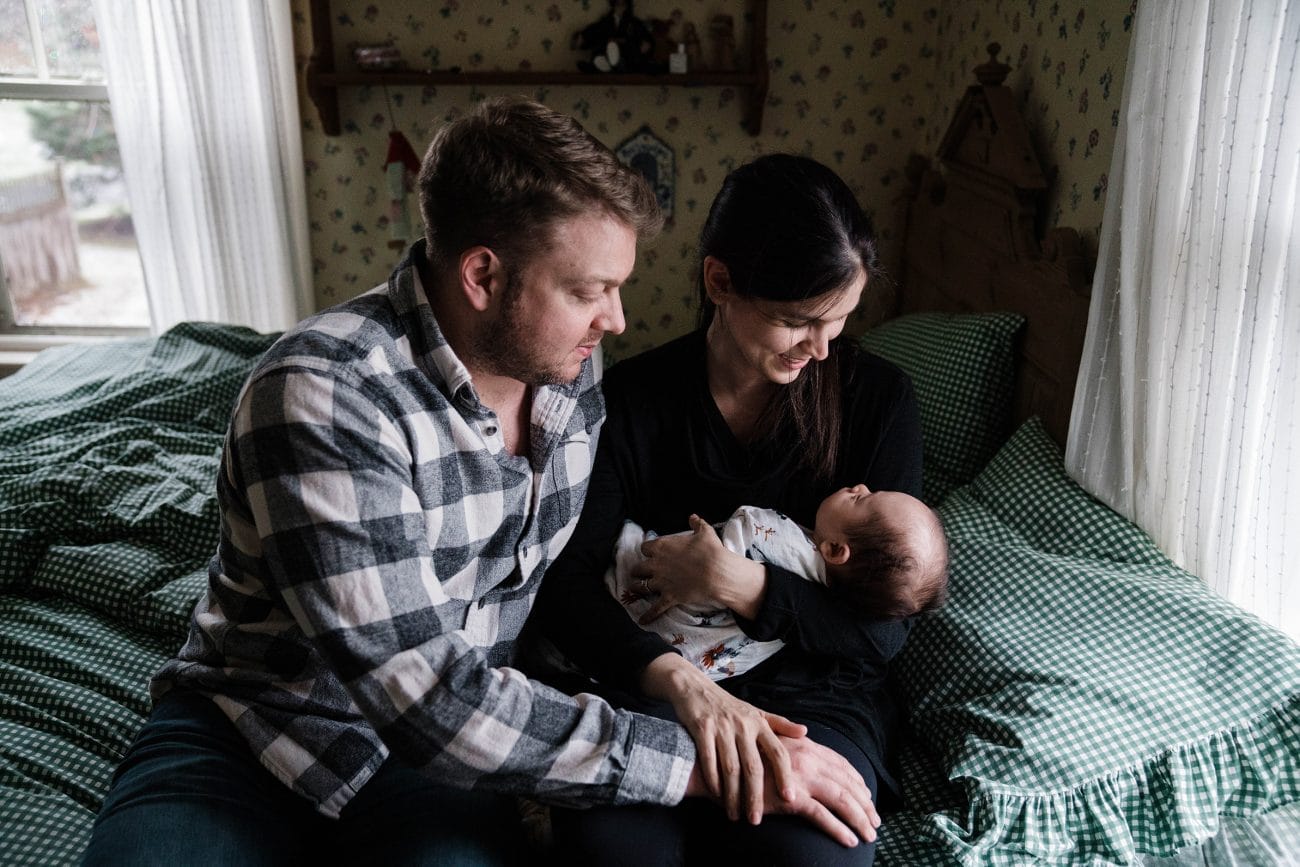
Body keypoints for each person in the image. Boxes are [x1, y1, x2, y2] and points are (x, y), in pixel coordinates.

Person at [80, 99, 877, 866]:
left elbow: (548, 597)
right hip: (258, 732)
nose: (618, 320)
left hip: (439, 765)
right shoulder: (324, 395)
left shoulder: (569, 369)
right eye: (588, 290)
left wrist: (683, 679)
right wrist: (703, 761)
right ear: (483, 276)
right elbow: (428, 698)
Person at [528, 152, 926, 866]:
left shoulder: (878, 401)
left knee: (812, 859)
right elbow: (566, 585)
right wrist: (675, 684)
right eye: (799, 320)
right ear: (720, 282)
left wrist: (736, 582)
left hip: (814, 700)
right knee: (612, 850)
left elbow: (884, 632)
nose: (823, 345)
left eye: (841, 319)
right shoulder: (635, 402)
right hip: (658, 686)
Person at [608, 488, 948, 682]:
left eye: (862, 500)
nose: (859, 487)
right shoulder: (821, 606)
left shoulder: (782, 542)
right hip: (678, 660)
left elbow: (746, 524)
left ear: (834, 550)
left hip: (632, 592)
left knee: (625, 542)